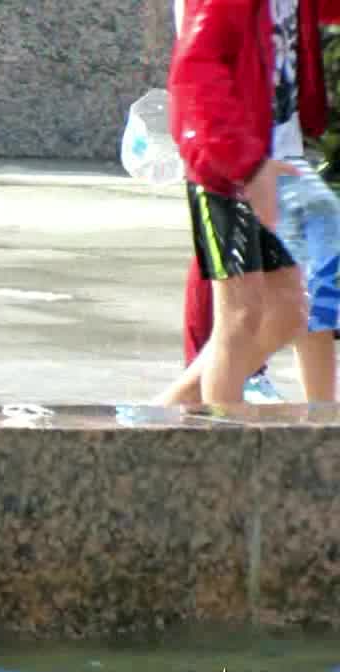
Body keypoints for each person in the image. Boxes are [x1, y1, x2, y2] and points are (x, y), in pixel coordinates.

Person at [157, 0, 328, 405]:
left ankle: (167, 410)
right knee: (240, 317)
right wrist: (245, 166)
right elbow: (196, 68)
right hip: (228, 165)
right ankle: (223, 433)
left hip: (277, 157)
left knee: (289, 310)